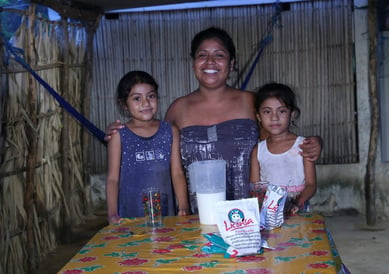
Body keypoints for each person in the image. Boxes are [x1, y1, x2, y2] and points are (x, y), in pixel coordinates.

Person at [105, 27, 322, 214]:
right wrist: (123, 132)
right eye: (202, 55)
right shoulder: (178, 109)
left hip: (250, 214)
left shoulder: (251, 102)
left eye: (219, 55)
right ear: (193, 63)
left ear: (232, 62)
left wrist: (314, 142)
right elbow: (154, 141)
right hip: (195, 217)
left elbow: (278, 142)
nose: (210, 62)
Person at [105, 70, 189, 224]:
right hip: (129, 216)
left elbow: (177, 172)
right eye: (137, 98)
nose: (145, 103)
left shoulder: (170, 131)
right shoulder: (119, 135)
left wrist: (183, 206)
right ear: (124, 104)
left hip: (165, 215)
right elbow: (112, 179)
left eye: (151, 96)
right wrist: (112, 213)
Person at [250, 82, 317, 214]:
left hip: (298, 210)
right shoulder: (258, 150)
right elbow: (255, 188)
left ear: (292, 115)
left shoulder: (303, 145)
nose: (274, 117)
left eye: (281, 111)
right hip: (269, 213)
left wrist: (297, 203)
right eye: (267, 111)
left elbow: (311, 184)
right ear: (258, 117)